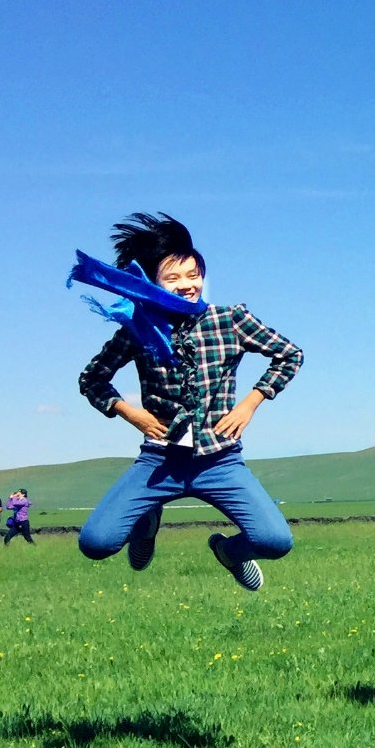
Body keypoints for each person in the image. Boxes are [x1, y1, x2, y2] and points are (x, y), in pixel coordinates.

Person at [73, 213, 302, 589]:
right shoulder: (138, 329)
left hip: (220, 459)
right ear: (152, 282)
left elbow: (290, 354)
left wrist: (251, 401)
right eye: (173, 277)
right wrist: (132, 414)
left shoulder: (230, 319)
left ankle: (229, 553)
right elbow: (92, 378)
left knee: (274, 541)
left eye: (194, 275)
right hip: (159, 459)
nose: (187, 285)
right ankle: (146, 525)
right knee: (96, 543)